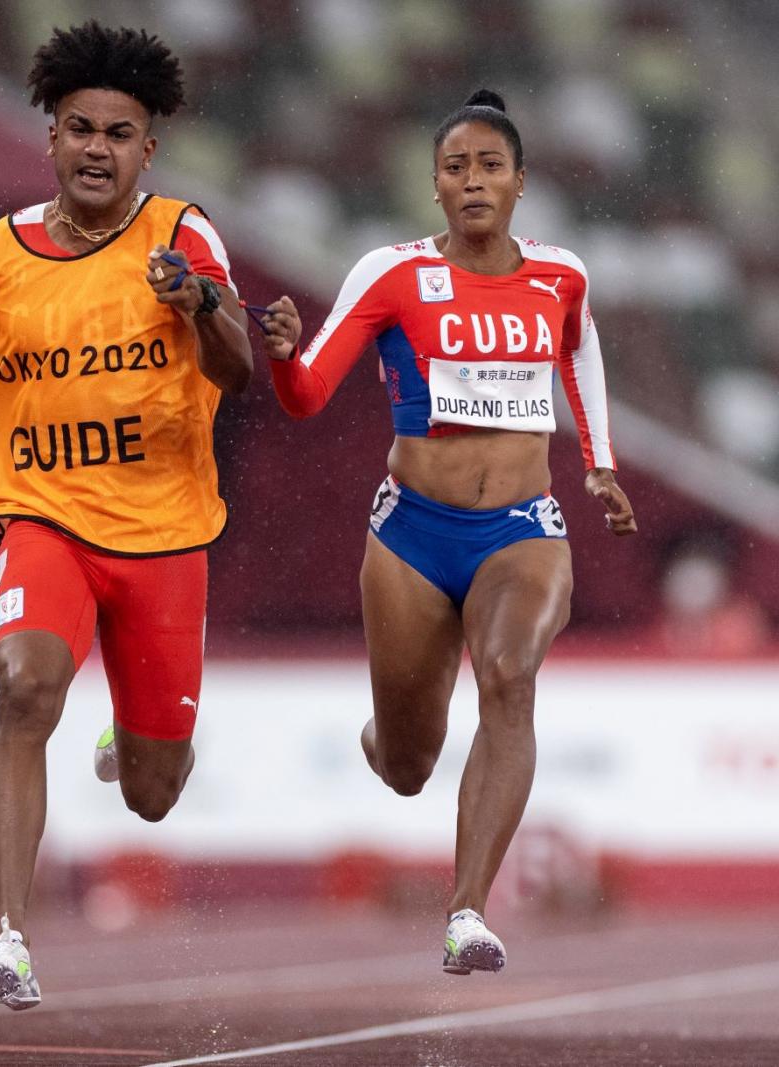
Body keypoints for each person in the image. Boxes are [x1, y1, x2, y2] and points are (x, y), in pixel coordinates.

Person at [261, 89, 636, 975]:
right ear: (434, 184)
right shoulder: (390, 274)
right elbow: (309, 394)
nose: (473, 182)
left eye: (490, 167)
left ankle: (467, 909)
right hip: (412, 536)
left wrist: (601, 464)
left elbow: (579, 352)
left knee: (509, 675)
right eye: (456, 168)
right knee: (406, 763)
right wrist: (281, 354)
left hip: (522, 528)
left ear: (519, 182)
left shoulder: (560, 275)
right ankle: (381, 737)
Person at [0, 22, 252, 1009]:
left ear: (149, 148)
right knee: (21, 690)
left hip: (163, 539)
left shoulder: (181, 234)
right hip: (42, 523)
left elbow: (239, 368)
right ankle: (7, 936)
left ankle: (133, 739)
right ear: (50, 138)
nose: (97, 148)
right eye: (80, 128)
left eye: (119, 133)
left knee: (151, 790)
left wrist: (197, 307)